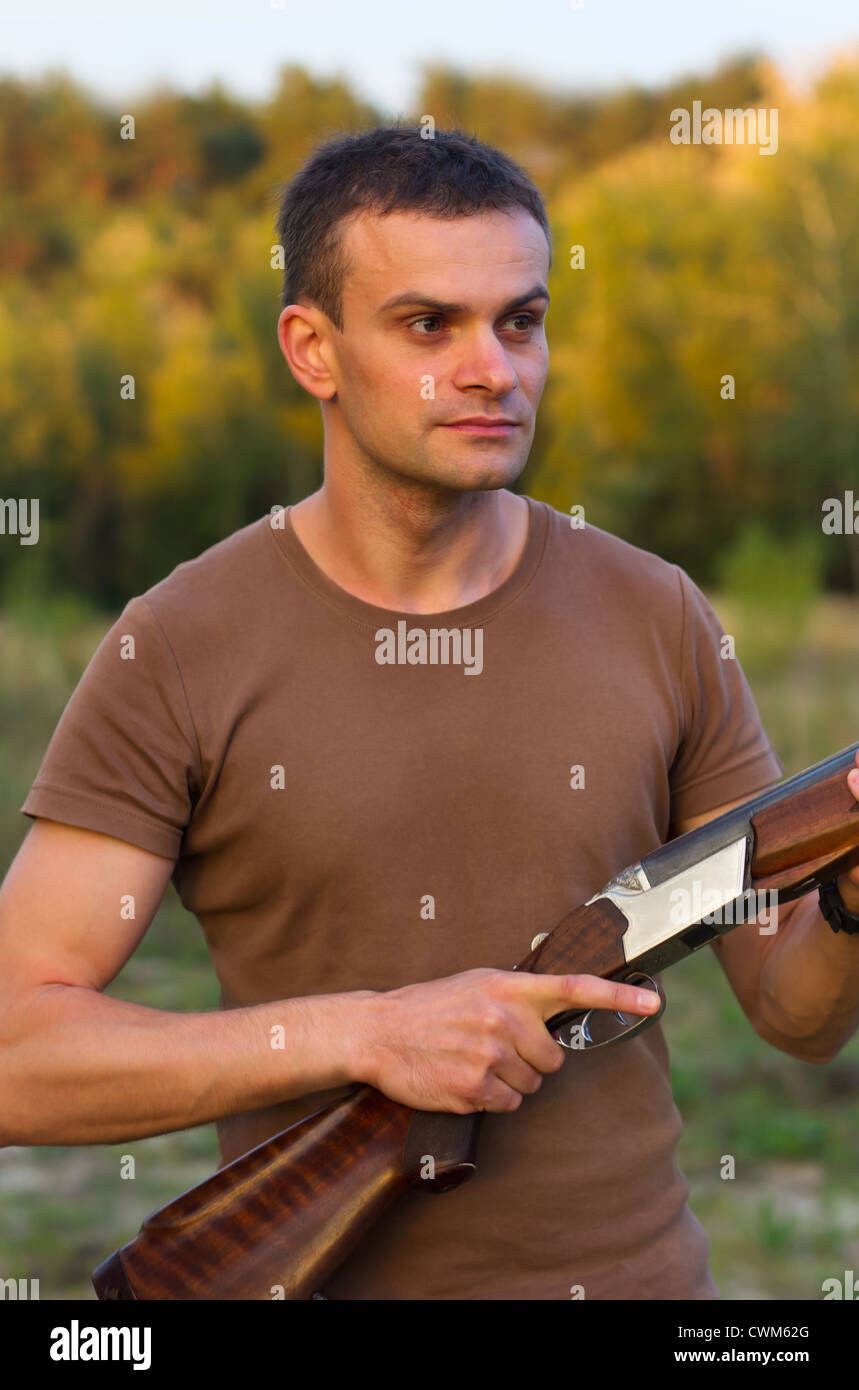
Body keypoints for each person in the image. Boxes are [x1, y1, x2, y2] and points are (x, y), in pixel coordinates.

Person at [2, 126, 858, 1301]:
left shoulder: (656, 610)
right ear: (312, 348)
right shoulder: (179, 643)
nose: (493, 369)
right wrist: (367, 1035)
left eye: (521, 320)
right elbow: (14, 1055)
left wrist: (849, 898)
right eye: (428, 326)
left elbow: (795, 1015)